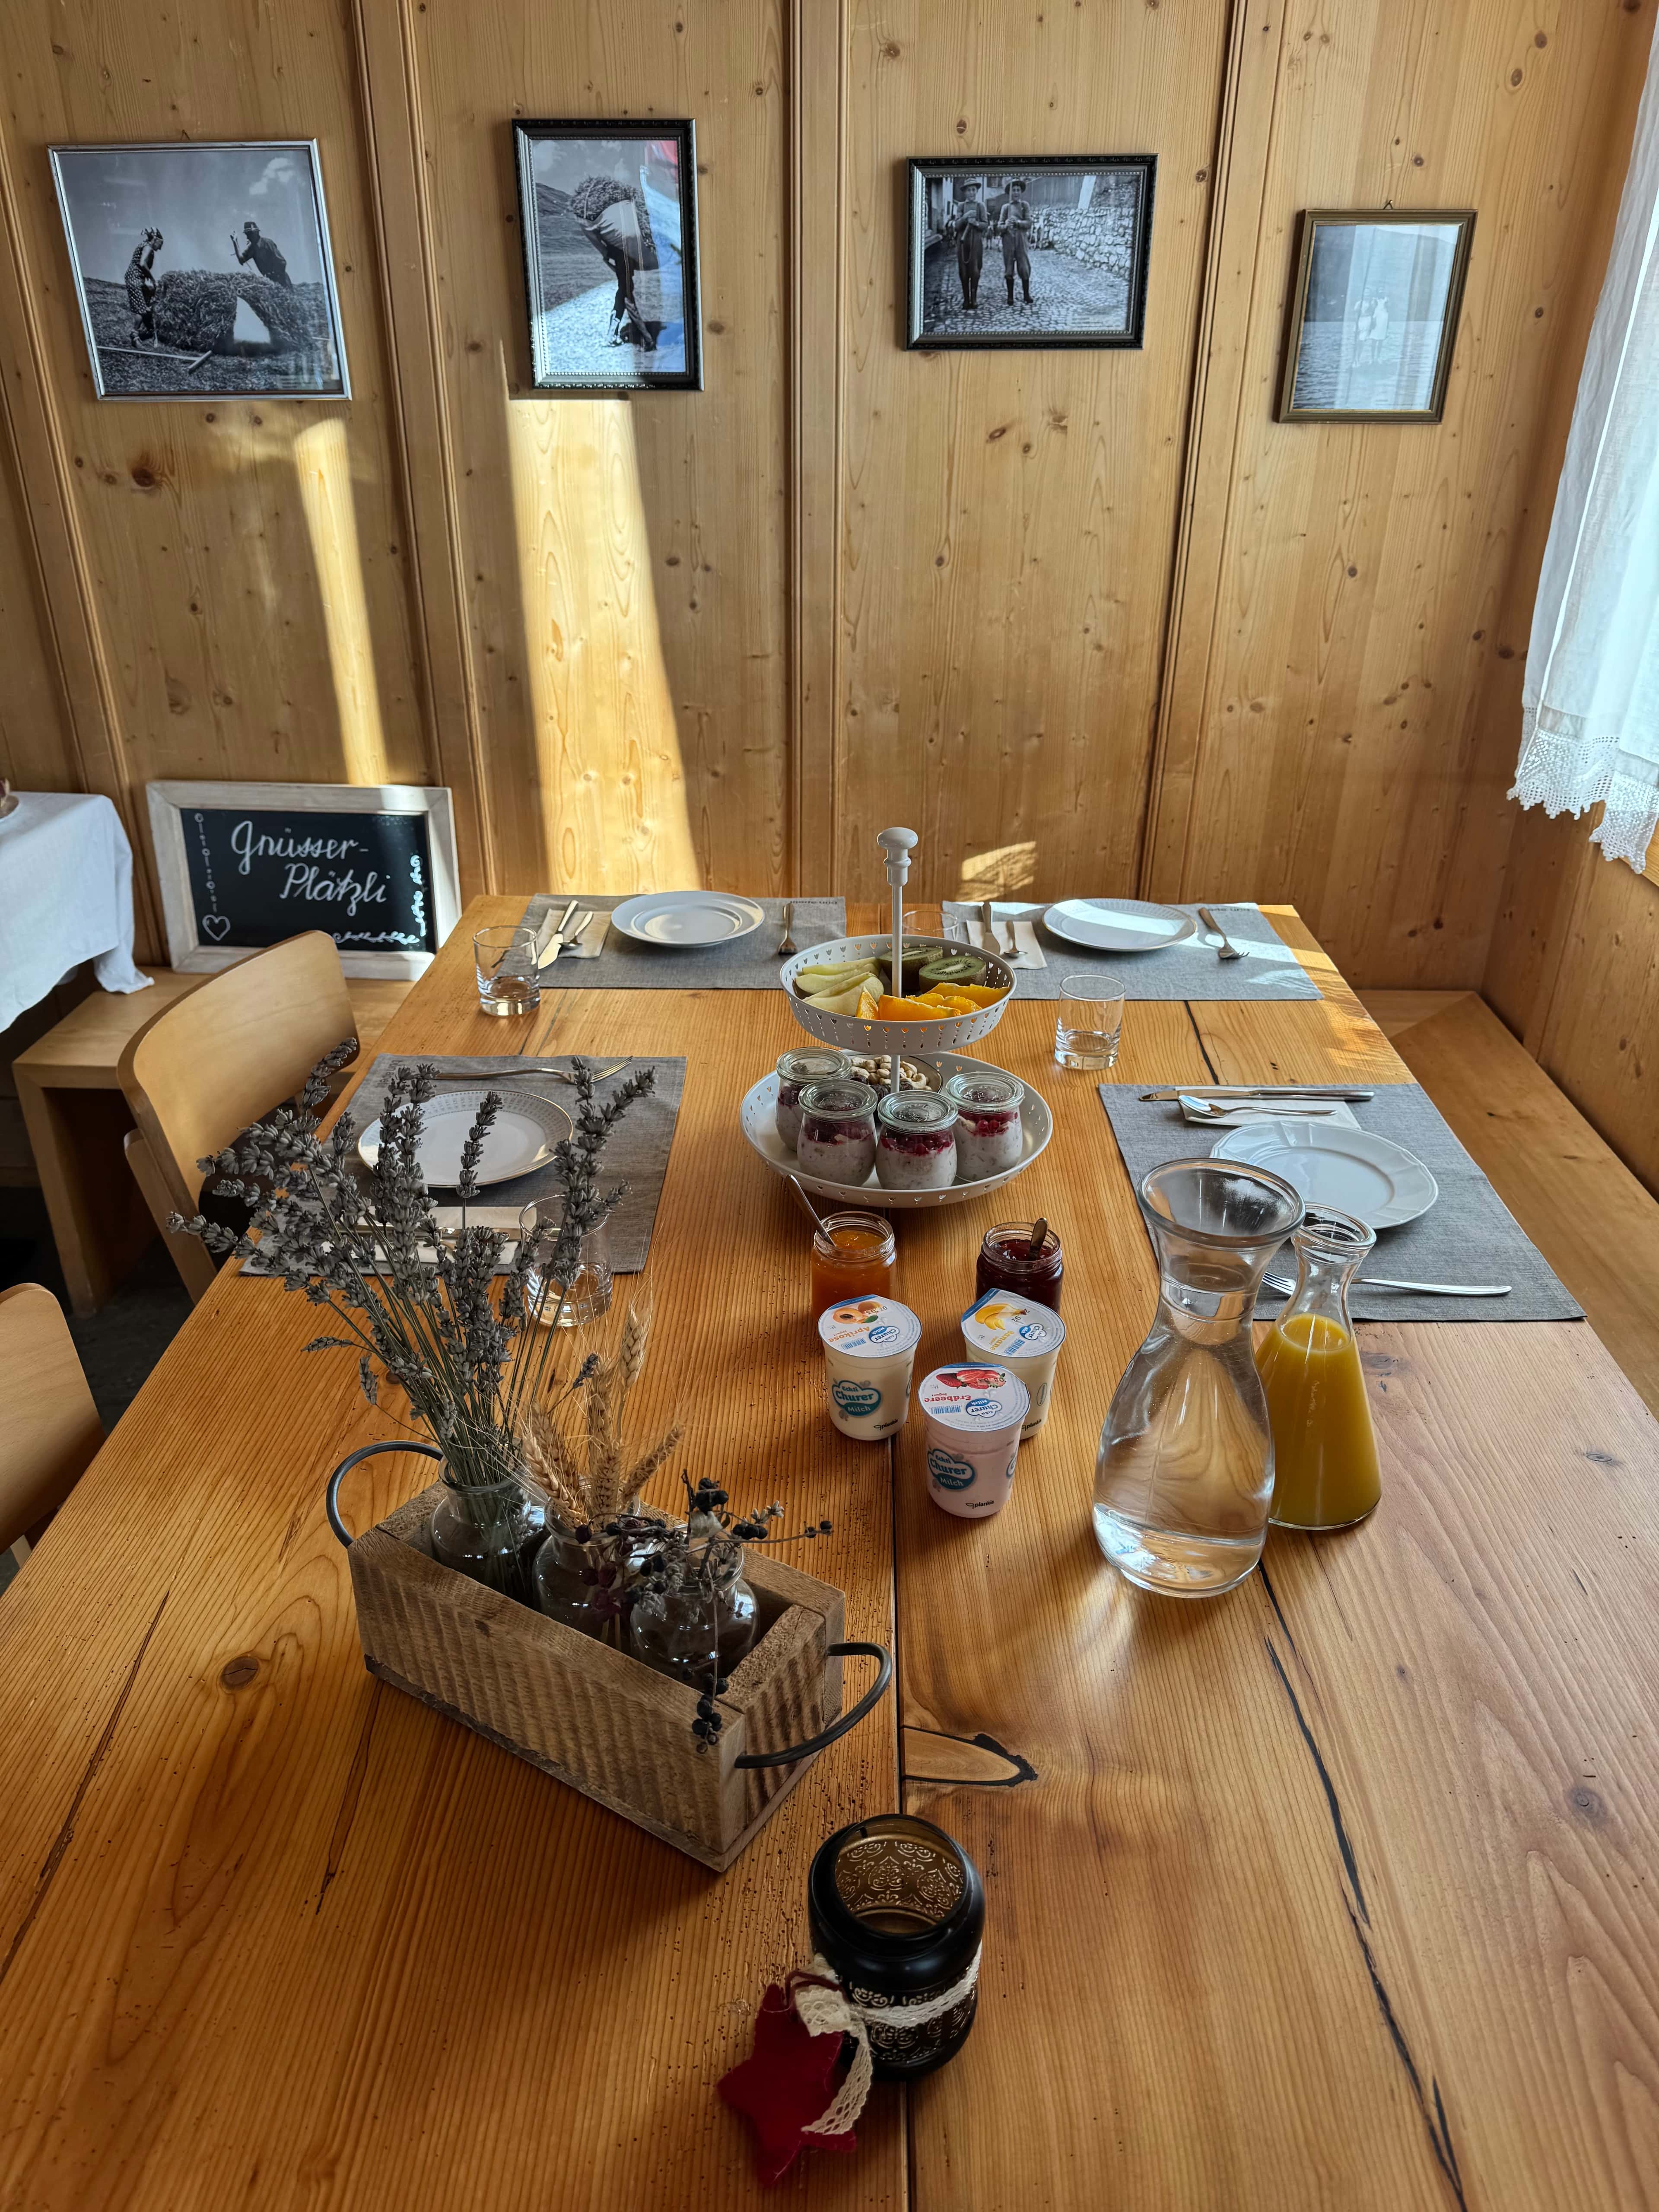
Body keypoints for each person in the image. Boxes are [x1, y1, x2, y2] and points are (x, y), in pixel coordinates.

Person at [570, 175, 656, 350]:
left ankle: (613, 334)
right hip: (623, 257)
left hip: (619, 256)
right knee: (626, 296)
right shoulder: (622, 219)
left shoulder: (610, 229)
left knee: (623, 293)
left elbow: (604, 249)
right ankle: (647, 340)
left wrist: (608, 259)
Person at [998, 179, 1034, 308]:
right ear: (1009, 193)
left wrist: (1018, 223)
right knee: (1009, 267)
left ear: (1021, 192)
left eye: (1018, 190)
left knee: (1024, 266)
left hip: (1021, 240)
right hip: (1008, 240)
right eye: (1013, 190)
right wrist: (1006, 225)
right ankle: (1010, 296)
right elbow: (999, 226)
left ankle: (1026, 295)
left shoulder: (1025, 206)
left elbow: (1029, 223)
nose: (1016, 193)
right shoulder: (1006, 208)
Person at [124, 226, 162, 344]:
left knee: (147, 300)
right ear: (155, 240)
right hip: (135, 278)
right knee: (141, 309)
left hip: (135, 278)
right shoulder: (148, 247)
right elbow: (142, 263)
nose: (160, 248)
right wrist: (153, 279)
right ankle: (135, 336)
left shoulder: (144, 245)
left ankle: (149, 330)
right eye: (160, 244)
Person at [231, 221, 292, 288]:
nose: (248, 238)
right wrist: (235, 242)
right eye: (247, 235)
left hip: (283, 283)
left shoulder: (268, 244)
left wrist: (275, 276)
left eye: (249, 234)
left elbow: (282, 262)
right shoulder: (252, 249)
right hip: (270, 284)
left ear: (256, 233)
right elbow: (241, 260)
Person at [954, 184, 985, 312]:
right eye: (969, 190)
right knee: (964, 272)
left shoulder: (981, 206)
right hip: (963, 243)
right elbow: (957, 226)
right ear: (965, 192)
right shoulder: (961, 206)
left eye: (974, 190)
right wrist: (965, 217)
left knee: (975, 271)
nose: (972, 193)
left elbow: (985, 224)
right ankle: (966, 299)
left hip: (976, 243)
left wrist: (976, 223)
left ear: (977, 191)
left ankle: (974, 298)